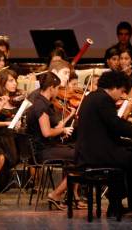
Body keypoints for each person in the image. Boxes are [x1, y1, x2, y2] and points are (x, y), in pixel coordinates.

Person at [74, 70, 132, 217]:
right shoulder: (103, 99)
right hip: (96, 153)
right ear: (114, 87)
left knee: (129, 155)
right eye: (121, 91)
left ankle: (115, 206)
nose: (122, 95)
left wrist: (130, 137)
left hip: (90, 150)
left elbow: (108, 127)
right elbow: (115, 124)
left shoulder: (94, 97)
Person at [26, 72, 87, 211]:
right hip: (43, 150)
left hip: (47, 146)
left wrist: (68, 119)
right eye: (58, 88)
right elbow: (47, 132)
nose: (59, 91)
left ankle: (72, 197)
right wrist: (63, 131)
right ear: (51, 88)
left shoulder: (42, 102)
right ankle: (55, 194)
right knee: (83, 157)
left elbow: (54, 127)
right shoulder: (41, 106)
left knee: (77, 151)